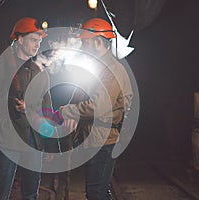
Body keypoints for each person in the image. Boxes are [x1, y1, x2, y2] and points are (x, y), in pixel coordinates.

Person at [59, 18, 133, 200]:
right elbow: (83, 94)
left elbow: (98, 106)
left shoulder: (111, 70)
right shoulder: (99, 68)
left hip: (103, 140)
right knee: (98, 191)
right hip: (95, 137)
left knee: (96, 193)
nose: (82, 46)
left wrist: (66, 111)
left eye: (85, 42)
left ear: (98, 42)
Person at [0, 17, 50, 200]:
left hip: (34, 140)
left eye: (39, 41)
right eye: (33, 39)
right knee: (1, 192)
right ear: (20, 39)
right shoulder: (3, 67)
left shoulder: (40, 72)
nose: (37, 45)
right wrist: (12, 103)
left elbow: (47, 109)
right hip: (9, 139)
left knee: (31, 193)